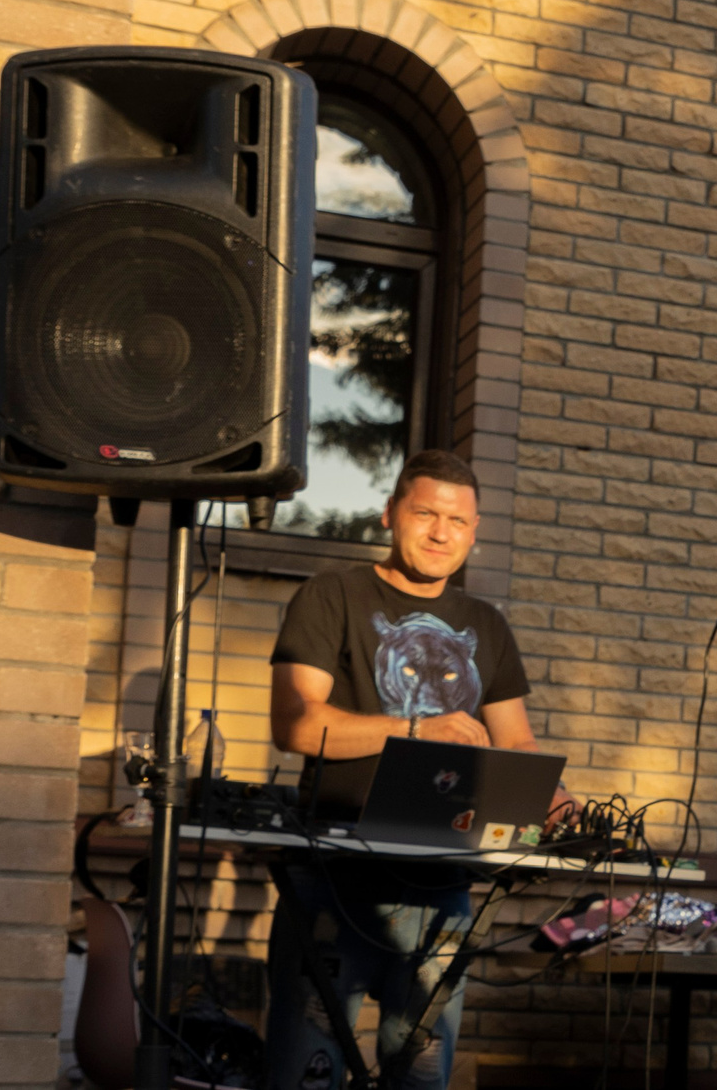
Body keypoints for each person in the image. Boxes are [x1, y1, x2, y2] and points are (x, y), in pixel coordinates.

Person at [263, 450, 567, 1090]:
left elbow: (517, 741)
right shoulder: (333, 595)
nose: (439, 533)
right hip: (334, 875)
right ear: (389, 513)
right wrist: (417, 727)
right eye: (425, 513)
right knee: (305, 1074)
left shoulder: (486, 624)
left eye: (456, 521)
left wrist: (564, 804)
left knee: (422, 1081)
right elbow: (296, 725)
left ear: (475, 531)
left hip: (442, 884)